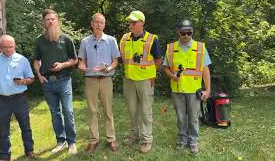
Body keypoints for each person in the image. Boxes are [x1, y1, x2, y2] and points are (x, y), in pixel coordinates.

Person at [0, 35, 36, 160]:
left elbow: (31, 79)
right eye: (5, 47)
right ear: (0, 48)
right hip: (2, 101)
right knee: (3, 131)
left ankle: (29, 151)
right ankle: (4, 156)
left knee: (26, 127)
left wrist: (23, 81)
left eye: (11, 46)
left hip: (20, 99)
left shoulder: (22, 60)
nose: (9, 49)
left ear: (15, 45)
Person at [163, 20, 211, 154]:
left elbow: (205, 70)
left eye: (189, 32)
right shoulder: (171, 48)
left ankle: (193, 141)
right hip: (177, 89)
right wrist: (172, 76)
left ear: (192, 32)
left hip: (194, 90)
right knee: (181, 117)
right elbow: (165, 67)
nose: (186, 35)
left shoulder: (200, 48)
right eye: (183, 33)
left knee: (194, 117)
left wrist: (208, 90)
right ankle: (182, 139)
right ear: (178, 32)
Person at [33, 9, 78, 154]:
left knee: (68, 111)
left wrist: (62, 65)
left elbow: (74, 60)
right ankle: (61, 141)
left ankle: (71, 142)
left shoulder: (66, 39)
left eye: (53, 18)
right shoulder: (39, 40)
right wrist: (39, 76)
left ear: (57, 21)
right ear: (44, 22)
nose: (51, 21)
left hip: (64, 81)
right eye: (48, 19)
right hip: (48, 83)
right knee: (55, 113)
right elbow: (36, 60)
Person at [120, 10, 162, 153]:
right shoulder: (124, 39)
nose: (130, 25)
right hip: (129, 80)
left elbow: (158, 60)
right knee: (132, 110)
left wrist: (152, 75)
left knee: (145, 111)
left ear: (142, 23)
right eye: (129, 22)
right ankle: (134, 135)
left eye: (134, 22)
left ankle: (146, 140)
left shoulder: (152, 39)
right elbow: (123, 58)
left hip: (145, 81)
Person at [78, 13, 120, 154]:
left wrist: (108, 68)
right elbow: (81, 60)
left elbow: (115, 61)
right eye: (96, 22)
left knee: (108, 110)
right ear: (92, 24)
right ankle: (93, 140)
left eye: (101, 22)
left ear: (104, 25)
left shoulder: (111, 40)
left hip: (106, 79)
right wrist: (81, 66)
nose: (98, 24)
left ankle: (111, 138)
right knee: (92, 111)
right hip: (91, 80)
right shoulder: (85, 41)